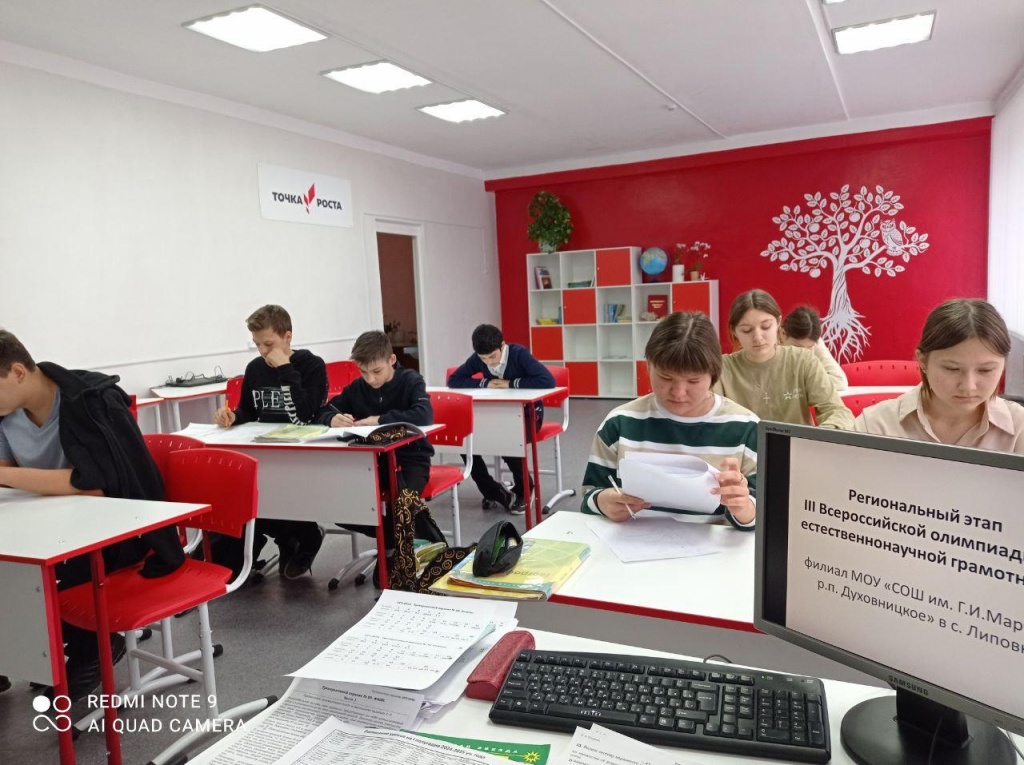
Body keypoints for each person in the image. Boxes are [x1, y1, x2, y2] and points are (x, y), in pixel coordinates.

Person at [0, 329, 184, 701]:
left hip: (112, 531)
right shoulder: (6, 416)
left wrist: (8, 476)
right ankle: (20, 655)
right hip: (47, 525)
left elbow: (96, 486)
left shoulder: (92, 401)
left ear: (17, 372)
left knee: (43, 577)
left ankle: (91, 649)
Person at [581, 312, 758, 528]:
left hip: (713, 545)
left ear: (714, 375)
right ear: (649, 366)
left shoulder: (746, 428)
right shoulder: (620, 423)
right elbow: (589, 496)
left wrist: (744, 509)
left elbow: (765, 515)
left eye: (693, 381)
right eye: (666, 377)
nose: (678, 392)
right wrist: (601, 501)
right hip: (634, 541)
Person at [213, 305, 328, 579]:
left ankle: (304, 535)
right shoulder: (255, 368)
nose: (263, 351)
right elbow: (249, 410)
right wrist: (233, 416)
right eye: (257, 344)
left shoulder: (312, 366)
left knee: (277, 496)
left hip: (301, 454)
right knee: (249, 497)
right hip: (265, 450)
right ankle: (293, 537)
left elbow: (304, 416)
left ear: (287, 337)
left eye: (268, 344)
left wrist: (286, 368)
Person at [315, 330, 435, 574]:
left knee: (403, 503)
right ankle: (393, 541)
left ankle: (393, 555)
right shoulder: (357, 388)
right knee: (337, 504)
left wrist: (379, 420)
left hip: (411, 459)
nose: (370, 379)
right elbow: (323, 411)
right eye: (363, 372)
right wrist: (332, 419)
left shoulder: (411, 380)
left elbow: (424, 415)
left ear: (392, 360)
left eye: (377, 371)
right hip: (371, 463)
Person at [854, 299, 1024, 451]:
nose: (968, 386)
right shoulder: (874, 426)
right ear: (922, 360)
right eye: (952, 368)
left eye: (985, 370)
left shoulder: (1019, 427)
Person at [447, 324, 555, 514]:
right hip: (496, 416)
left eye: (492, 356)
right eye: (483, 359)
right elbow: (454, 380)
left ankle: (524, 486)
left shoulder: (519, 354)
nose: (489, 362)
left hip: (530, 416)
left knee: (507, 438)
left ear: (502, 345)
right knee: (466, 441)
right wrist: (485, 382)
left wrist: (510, 384)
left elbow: (547, 380)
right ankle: (493, 491)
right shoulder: (479, 358)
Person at [714, 289, 853, 429]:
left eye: (766, 327)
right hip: (744, 443)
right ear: (734, 331)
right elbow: (710, 422)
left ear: (778, 323)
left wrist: (823, 434)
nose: (757, 337)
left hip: (798, 442)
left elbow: (837, 411)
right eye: (747, 330)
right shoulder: (721, 369)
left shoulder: (803, 361)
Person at [780, 306, 848, 390]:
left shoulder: (815, 342)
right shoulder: (768, 342)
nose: (803, 354)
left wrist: (804, 381)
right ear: (783, 334)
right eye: (797, 347)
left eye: (809, 348)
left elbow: (840, 381)